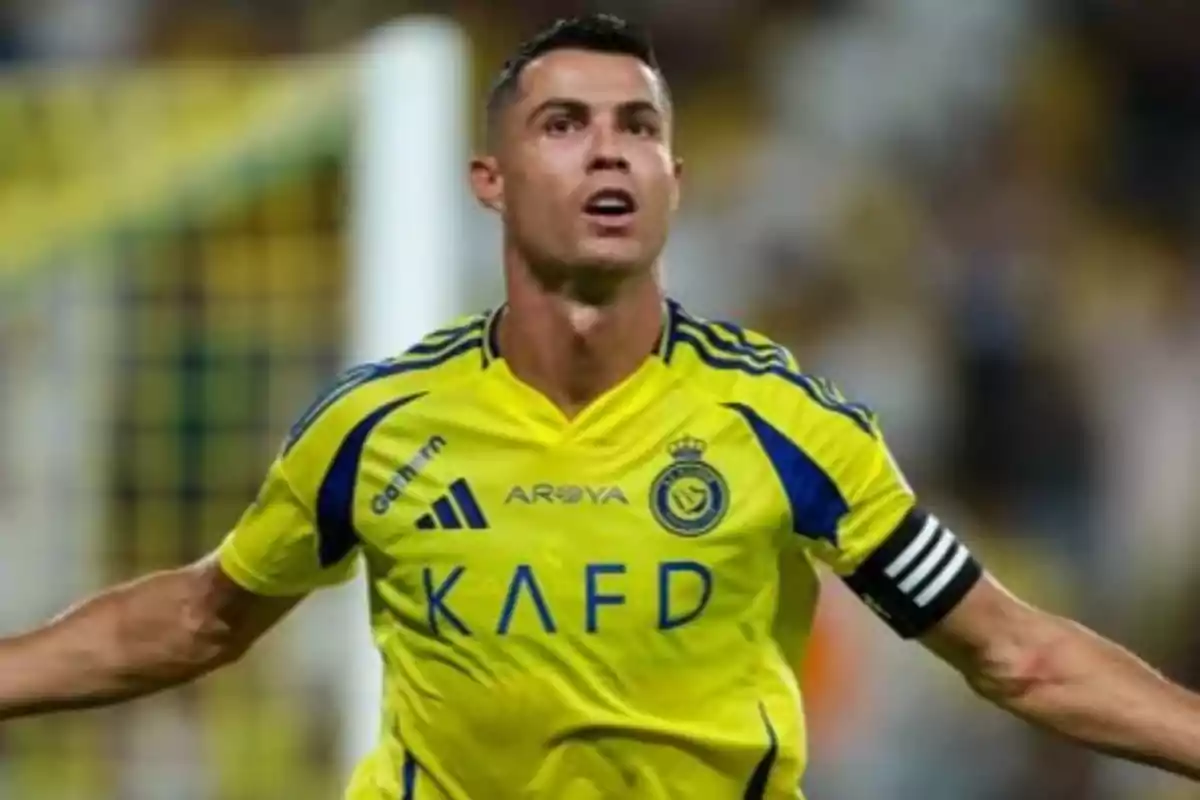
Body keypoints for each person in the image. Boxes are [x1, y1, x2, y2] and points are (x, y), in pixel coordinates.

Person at [1, 13, 1198, 800]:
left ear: (677, 179)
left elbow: (1019, 656)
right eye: (563, 126)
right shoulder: (376, 426)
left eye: (639, 128)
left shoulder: (790, 424)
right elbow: (201, 616)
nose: (608, 154)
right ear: (492, 181)